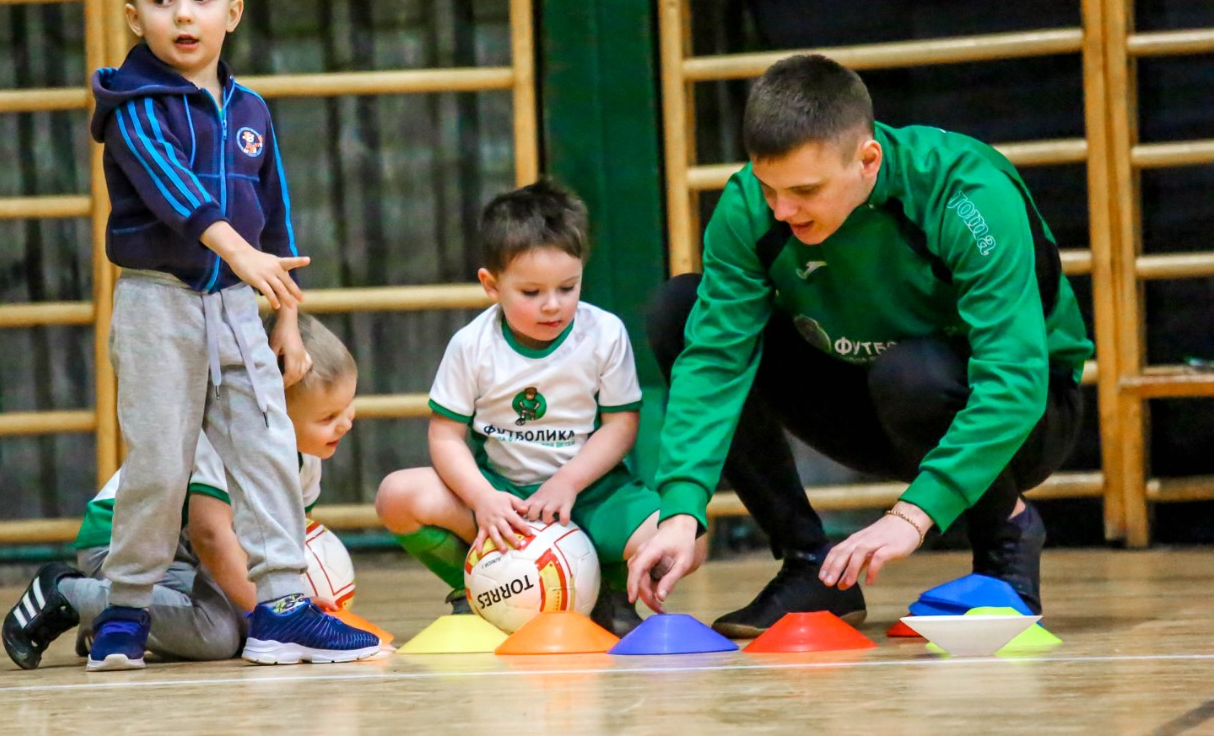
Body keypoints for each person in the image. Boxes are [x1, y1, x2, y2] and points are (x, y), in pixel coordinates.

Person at [628, 54, 1090, 636]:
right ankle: (809, 566)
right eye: (770, 187)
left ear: (867, 159)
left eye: (804, 190)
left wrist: (913, 514)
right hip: (871, 401)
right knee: (679, 309)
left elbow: (1015, 381)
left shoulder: (966, 194)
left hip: (1024, 417)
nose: (782, 209)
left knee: (913, 372)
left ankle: (1006, 540)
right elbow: (716, 362)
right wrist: (682, 508)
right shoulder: (751, 206)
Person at [84, 0, 378, 669]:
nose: (183, 14)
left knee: (268, 445)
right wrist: (240, 254)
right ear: (133, 15)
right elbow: (175, 194)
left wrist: (284, 317)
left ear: (231, 12)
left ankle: (284, 606)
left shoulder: (250, 110)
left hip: (240, 306)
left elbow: (275, 215)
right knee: (160, 462)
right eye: (162, 1)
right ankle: (125, 609)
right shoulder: (133, 103)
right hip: (159, 303)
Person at [374, 180, 665, 635]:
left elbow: (621, 425)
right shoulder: (472, 345)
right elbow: (445, 436)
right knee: (397, 495)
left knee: (678, 535)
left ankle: (604, 591)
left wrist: (568, 482)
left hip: (587, 495)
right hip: (501, 498)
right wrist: (483, 498)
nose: (553, 305)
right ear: (491, 286)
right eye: (531, 293)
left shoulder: (605, 333)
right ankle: (480, 588)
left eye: (568, 287)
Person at [1, 313, 359, 667]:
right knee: (219, 635)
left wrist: (296, 599)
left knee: (245, 630)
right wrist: (279, 611)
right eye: (328, 418)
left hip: (188, 554)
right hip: (121, 543)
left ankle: (108, 619)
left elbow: (286, 539)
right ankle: (69, 593)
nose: (344, 424)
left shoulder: (307, 459)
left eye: (348, 408)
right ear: (272, 410)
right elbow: (211, 536)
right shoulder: (230, 437)